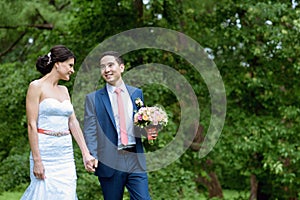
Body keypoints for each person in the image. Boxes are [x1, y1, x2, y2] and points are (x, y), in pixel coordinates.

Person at [21, 45, 97, 200]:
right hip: (45, 153)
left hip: (65, 154)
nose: (72, 70)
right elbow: (31, 125)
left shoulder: (64, 91)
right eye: (70, 65)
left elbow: (73, 122)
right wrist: (37, 160)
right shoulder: (36, 87)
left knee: (67, 194)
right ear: (57, 63)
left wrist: (85, 153)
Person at [83, 51, 157, 200]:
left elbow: (140, 124)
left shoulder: (136, 93)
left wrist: (149, 131)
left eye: (111, 65)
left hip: (135, 157)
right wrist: (92, 155)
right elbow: (90, 130)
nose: (106, 70)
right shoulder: (93, 99)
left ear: (121, 67)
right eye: (102, 67)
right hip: (110, 161)